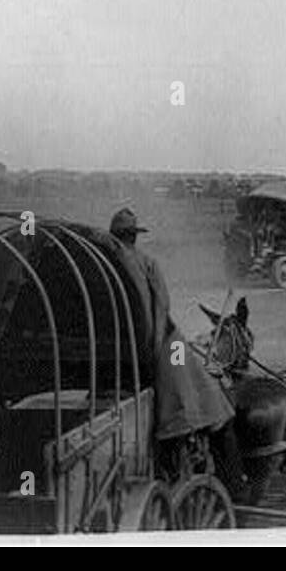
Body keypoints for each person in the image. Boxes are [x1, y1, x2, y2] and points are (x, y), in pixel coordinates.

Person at [108, 208, 248, 501]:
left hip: (118, 350)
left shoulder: (106, 265)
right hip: (162, 346)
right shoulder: (146, 263)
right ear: (135, 236)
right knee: (214, 406)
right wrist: (156, 350)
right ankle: (234, 485)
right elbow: (162, 308)